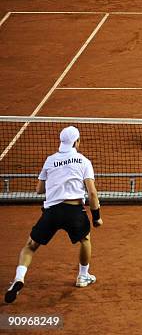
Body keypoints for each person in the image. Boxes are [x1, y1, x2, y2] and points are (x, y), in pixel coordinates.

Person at [4, 126, 102, 304]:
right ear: (77, 142)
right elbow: (92, 193)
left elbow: (39, 190)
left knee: (30, 246)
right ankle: (83, 276)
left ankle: (19, 278)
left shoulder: (50, 160)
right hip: (74, 211)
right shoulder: (83, 161)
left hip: (52, 212)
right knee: (85, 239)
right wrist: (96, 217)